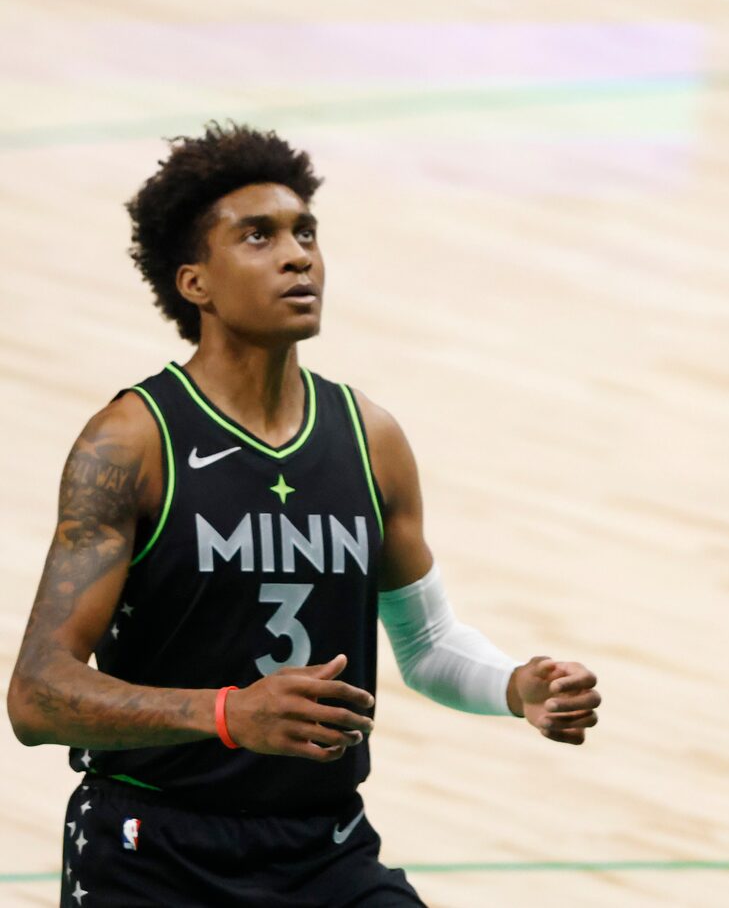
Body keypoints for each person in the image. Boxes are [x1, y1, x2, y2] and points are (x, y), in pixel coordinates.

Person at [7, 123, 599, 907]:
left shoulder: (370, 438)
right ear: (195, 283)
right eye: (259, 236)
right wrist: (228, 715)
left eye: (305, 232)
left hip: (323, 850)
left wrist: (515, 686)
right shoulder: (132, 441)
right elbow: (37, 695)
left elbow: (425, 642)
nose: (298, 256)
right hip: (153, 851)